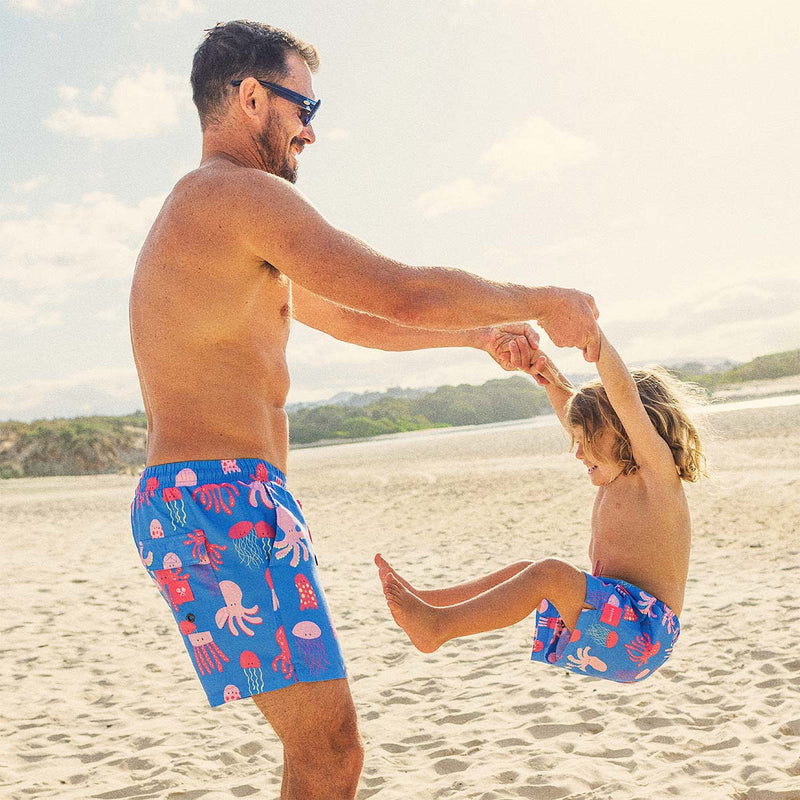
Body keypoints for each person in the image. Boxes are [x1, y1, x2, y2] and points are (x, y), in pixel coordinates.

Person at [129, 19, 600, 800]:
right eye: (302, 109)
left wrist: (479, 335)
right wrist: (542, 299)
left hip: (220, 497)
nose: (310, 132)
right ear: (251, 98)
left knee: (322, 749)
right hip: (215, 499)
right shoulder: (234, 195)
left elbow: (357, 316)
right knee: (331, 752)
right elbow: (399, 288)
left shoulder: (222, 222)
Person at [376, 328, 706, 684]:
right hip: (613, 620)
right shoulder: (615, 475)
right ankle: (432, 602)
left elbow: (624, 399)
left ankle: (437, 627)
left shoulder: (654, 476)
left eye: (586, 440)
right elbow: (572, 410)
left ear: (625, 430)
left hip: (643, 633)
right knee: (526, 571)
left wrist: (594, 339)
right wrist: (547, 374)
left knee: (549, 573)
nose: (577, 451)